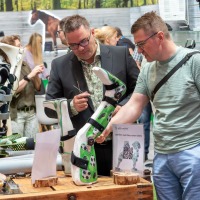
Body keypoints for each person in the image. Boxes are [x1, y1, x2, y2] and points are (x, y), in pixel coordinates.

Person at [97, 11, 200, 199]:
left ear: (160, 36)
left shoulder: (194, 62)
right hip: (161, 156)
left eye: (141, 44)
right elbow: (134, 105)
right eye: (137, 45)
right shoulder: (147, 69)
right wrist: (107, 128)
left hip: (192, 152)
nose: (139, 51)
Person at [45, 14, 139, 176]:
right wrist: (71, 106)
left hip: (122, 140)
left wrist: (122, 106)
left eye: (83, 41)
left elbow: (139, 89)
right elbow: (49, 108)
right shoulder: (60, 65)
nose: (80, 48)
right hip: (84, 149)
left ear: (93, 33)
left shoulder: (120, 54)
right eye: (73, 45)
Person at [1, 35, 44, 138]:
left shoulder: (25, 65)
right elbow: (12, 90)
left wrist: (36, 74)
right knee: (17, 149)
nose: (22, 48)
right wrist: (29, 76)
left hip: (31, 114)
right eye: (19, 46)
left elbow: (38, 88)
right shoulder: (5, 69)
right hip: (16, 115)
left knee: (31, 146)